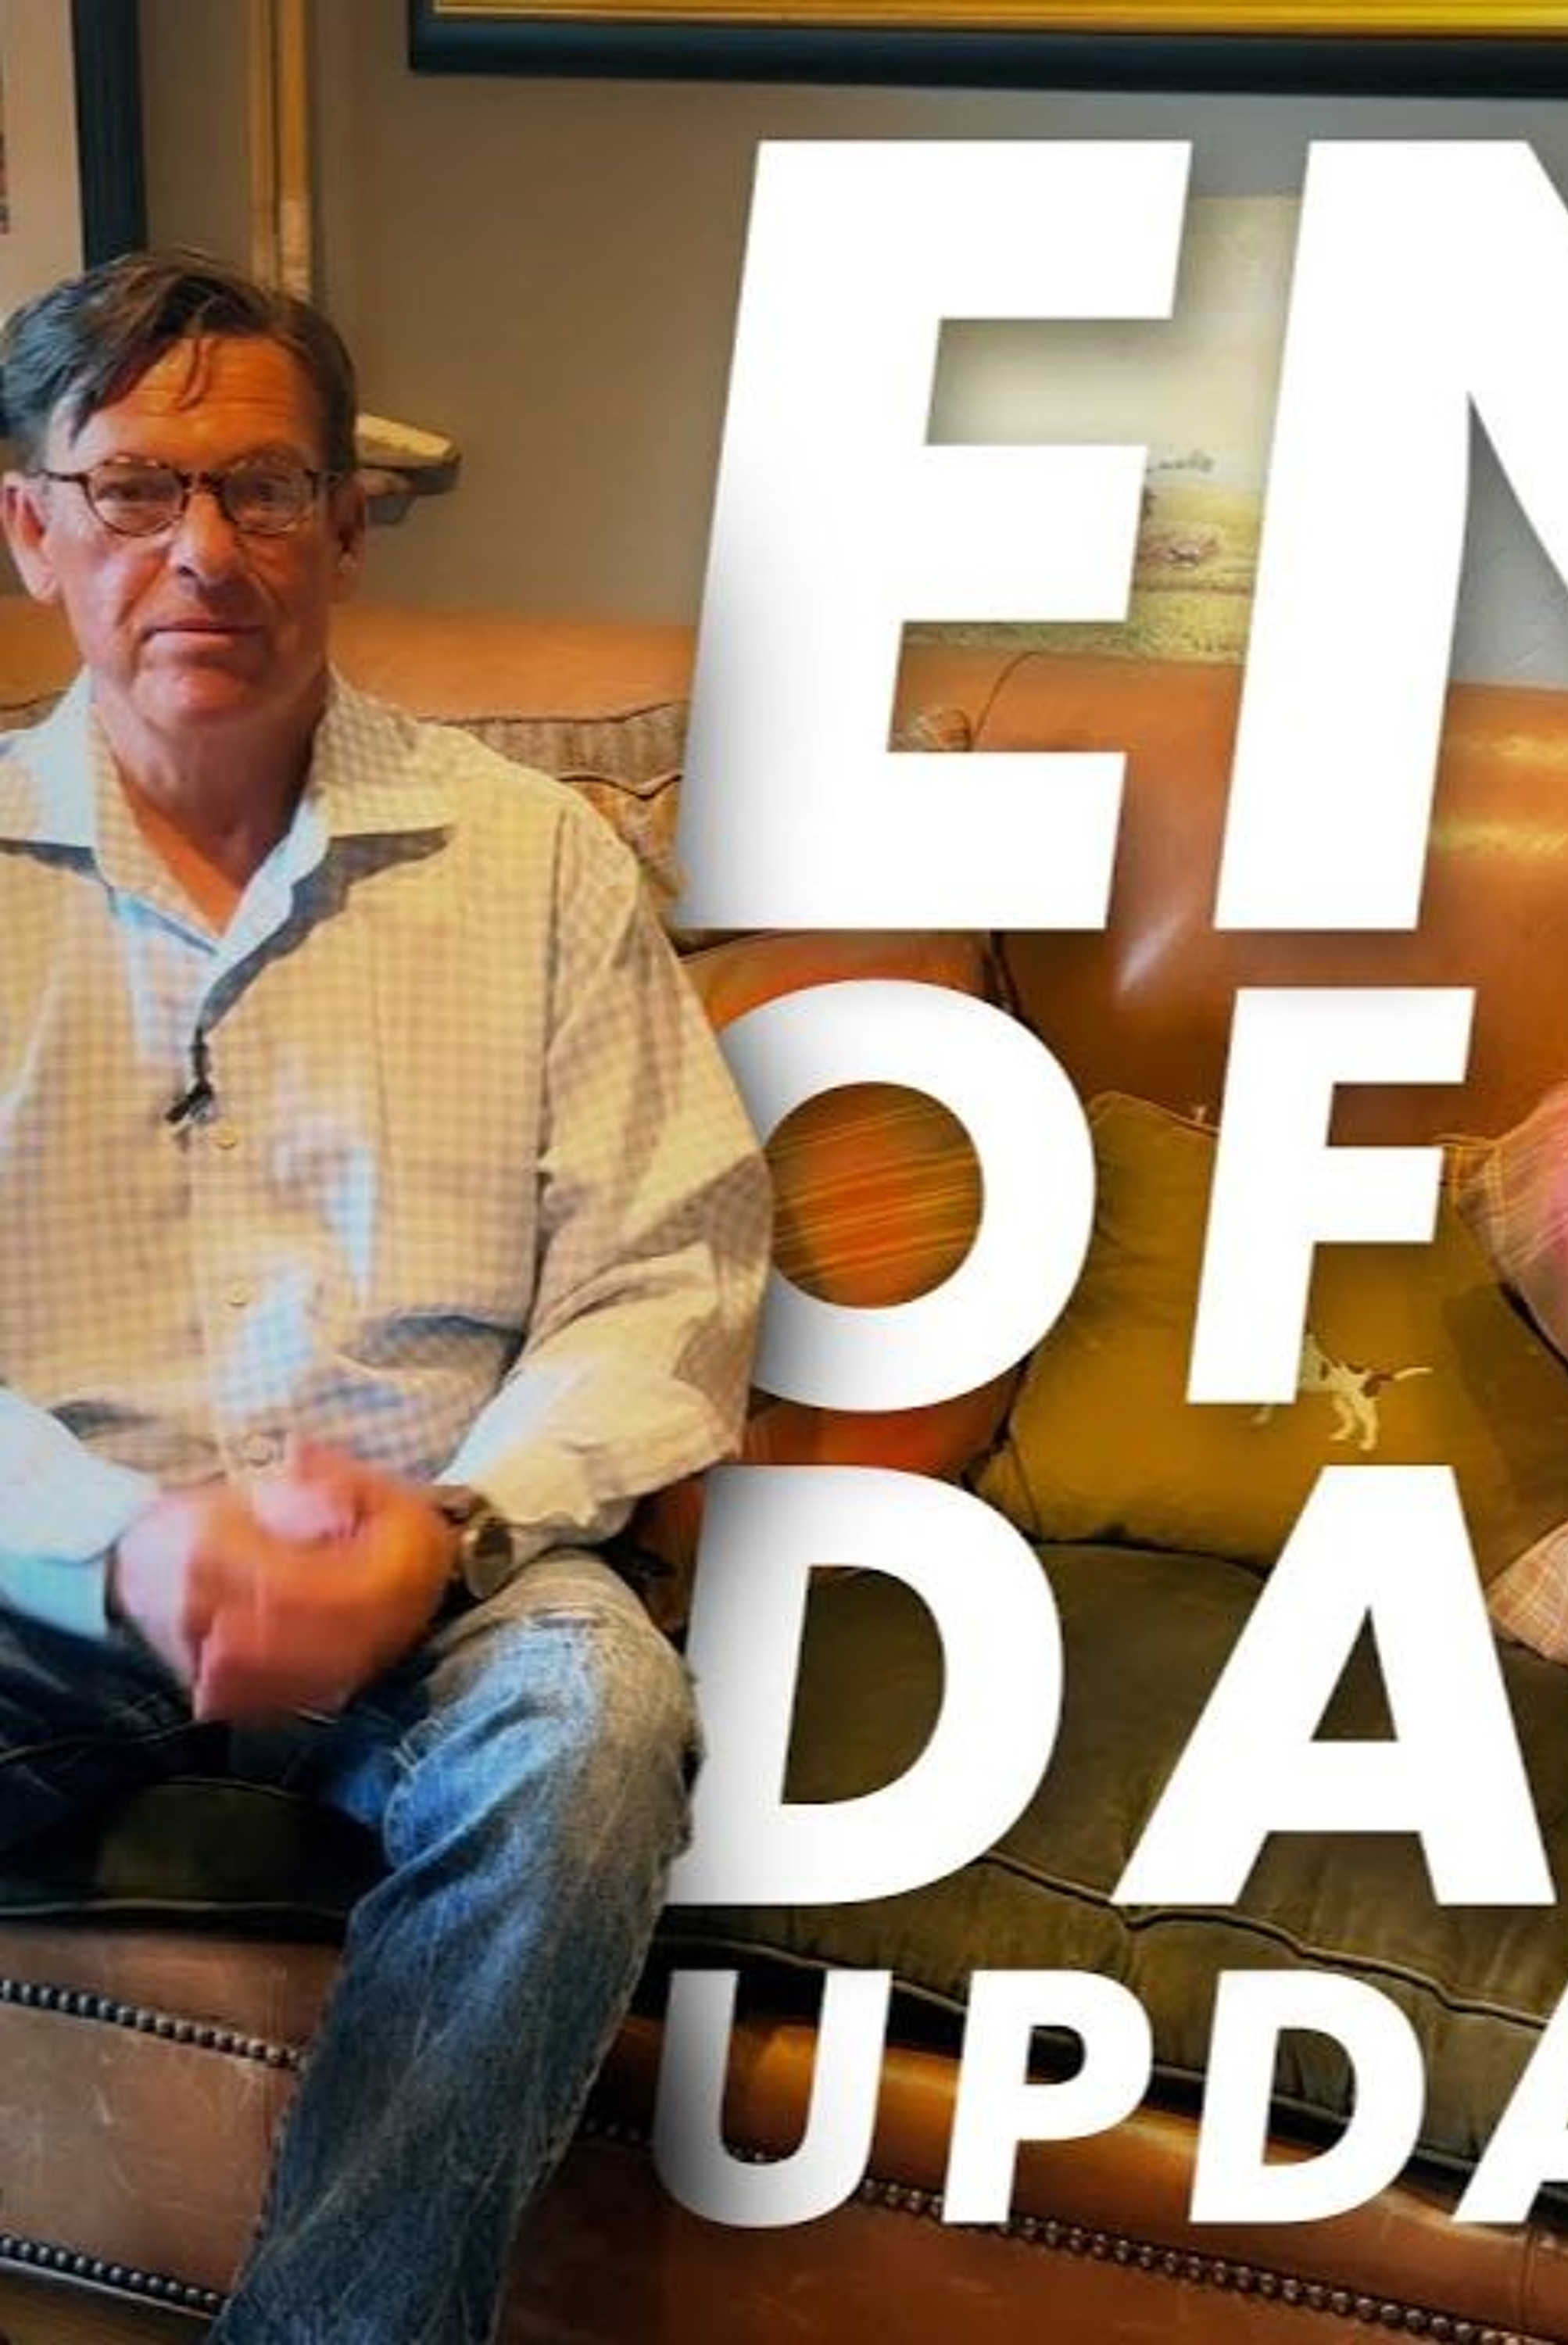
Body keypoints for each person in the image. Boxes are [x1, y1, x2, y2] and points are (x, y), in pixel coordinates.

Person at [0, 250, 770, 2342]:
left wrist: (452, 1527)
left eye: (262, 486)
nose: (204, 551)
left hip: (439, 1578)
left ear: (345, 524)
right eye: (135, 488)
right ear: (35, 527)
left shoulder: (534, 858)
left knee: (597, 1722)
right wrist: (124, 1539)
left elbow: (666, 1272)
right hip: (43, 1575)